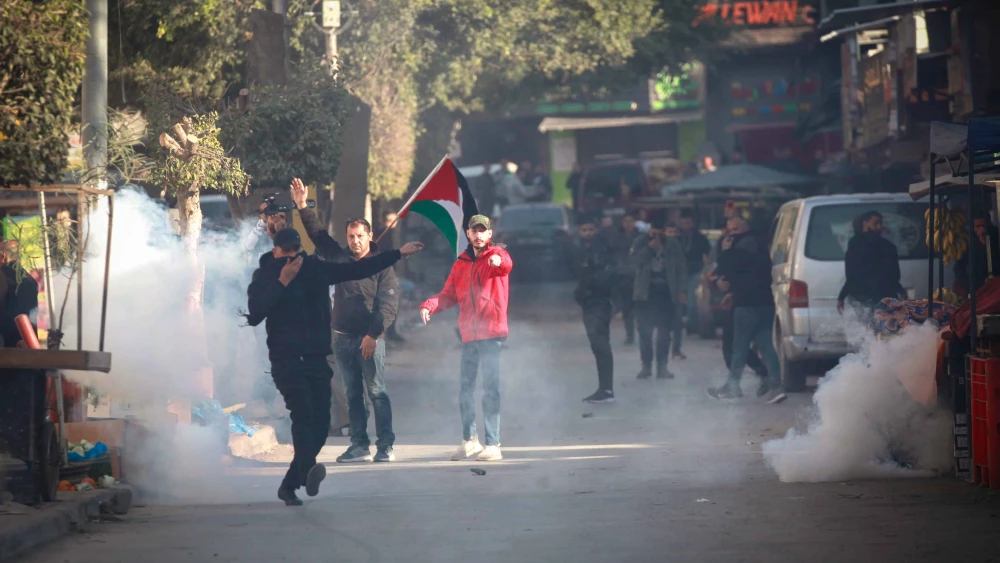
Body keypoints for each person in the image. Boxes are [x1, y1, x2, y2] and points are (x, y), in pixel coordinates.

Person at [246, 228, 424, 506]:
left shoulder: (315, 269)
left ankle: (292, 482)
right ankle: (305, 471)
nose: (293, 256)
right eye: (287, 251)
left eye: (296, 250)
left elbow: (359, 269)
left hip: (316, 358)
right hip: (287, 360)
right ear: (275, 251)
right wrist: (283, 281)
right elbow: (256, 314)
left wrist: (397, 254)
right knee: (303, 416)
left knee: (320, 424)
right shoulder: (266, 275)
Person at [289, 186, 401, 464]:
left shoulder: (383, 266)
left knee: (377, 392)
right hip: (342, 338)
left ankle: (385, 446)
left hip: (370, 340)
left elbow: (387, 307)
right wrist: (302, 206)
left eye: (360, 236)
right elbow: (317, 234)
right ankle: (359, 445)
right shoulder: (338, 258)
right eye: (351, 236)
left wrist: (372, 335)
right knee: (352, 395)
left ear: (369, 236)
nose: (355, 241)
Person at [419, 215, 513, 462]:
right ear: (468, 234)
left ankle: (493, 444)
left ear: (489, 234)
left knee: (490, 388)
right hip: (469, 334)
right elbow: (448, 294)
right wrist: (429, 305)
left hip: (491, 333)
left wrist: (497, 259)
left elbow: (505, 264)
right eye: (474, 231)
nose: (479, 235)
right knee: (465, 389)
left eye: (483, 231)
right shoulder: (460, 263)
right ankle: (470, 440)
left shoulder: (496, 255)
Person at [706, 215, 784, 404]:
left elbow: (728, 270)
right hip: (765, 302)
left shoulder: (740, 246)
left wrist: (725, 251)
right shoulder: (760, 244)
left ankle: (732, 387)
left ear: (744, 227)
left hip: (747, 305)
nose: (730, 234)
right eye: (729, 230)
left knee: (739, 347)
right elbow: (753, 275)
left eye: (734, 230)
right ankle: (776, 386)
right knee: (766, 345)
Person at [630, 219, 686, 380]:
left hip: (666, 293)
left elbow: (681, 266)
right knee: (645, 333)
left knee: (664, 332)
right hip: (645, 293)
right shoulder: (640, 242)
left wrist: (682, 289)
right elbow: (633, 263)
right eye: (654, 231)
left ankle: (662, 366)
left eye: (660, 231)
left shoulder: (672, 244)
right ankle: (646, 366)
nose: (657, 235)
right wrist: (649, 249)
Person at [572, 217, 617, 404]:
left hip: (600, 300)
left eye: (591, 229)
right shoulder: (580, 250)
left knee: (599, 342)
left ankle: (606, 390)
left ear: (596, 230)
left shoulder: (604, 248)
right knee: (598, 344)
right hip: (589, 302)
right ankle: (605, 388)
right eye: (584, 230)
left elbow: (611, 273)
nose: (588, 233)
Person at [837, 211, 904, 316]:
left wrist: (842, 296)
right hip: (879, 295)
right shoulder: (887, 246)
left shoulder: (855, 243)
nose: (879, 227)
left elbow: (851, 273)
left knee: (866, 324)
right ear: (865, 223)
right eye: (876, 223)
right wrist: (900, 290)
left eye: (880, 223)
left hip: (864, 295)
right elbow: (894, 274)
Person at [678, 210, 711, 342]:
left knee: (692, 299)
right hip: (679, 272)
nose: (685, 226)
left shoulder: (700, 238)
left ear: (692, 223)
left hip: (696, 271)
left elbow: (708, 256)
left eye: (688, 223)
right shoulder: (677, 237)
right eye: (683, 223)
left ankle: (692, 325)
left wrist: (705, 271)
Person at [610, 214, 639, 345]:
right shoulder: (617, 239)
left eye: (631, 221)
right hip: (623, 278)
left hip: (639, 277)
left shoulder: (641, 238)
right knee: (627, 309)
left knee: (641, 308)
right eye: (626, 221)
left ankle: (643, 333)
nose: (628, 224)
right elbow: (614, 257)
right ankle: (630, 335)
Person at [955, 213, 999, 297]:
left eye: (983, 226)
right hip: (976, 290)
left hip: (995, 290)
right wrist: (968, 284)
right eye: (977, 226)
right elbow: (959, 268)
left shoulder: (996, 239)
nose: (981, 229)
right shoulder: (968, 243)